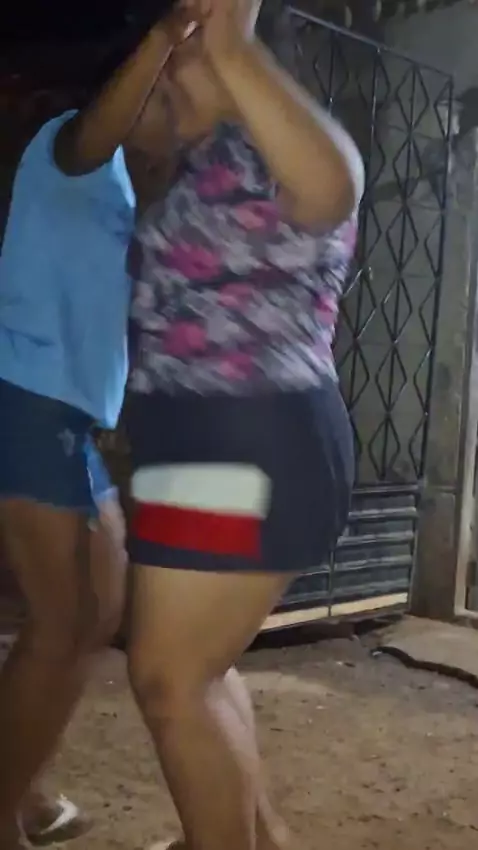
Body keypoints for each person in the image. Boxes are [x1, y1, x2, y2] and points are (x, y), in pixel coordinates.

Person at [120, 1, 363, 849]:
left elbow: (333, 188)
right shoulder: (194, 157)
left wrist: (229, 40)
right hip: (189, 441)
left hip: (249, 440)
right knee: (196, 670)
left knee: (169, 681)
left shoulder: (275, 141)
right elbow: (107, 138)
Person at [0, 6, 169, 842]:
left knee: (97, 607)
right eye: (163, 96)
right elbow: (98, 131)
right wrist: (168, 37)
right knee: (66, 616)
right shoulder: (67, 145)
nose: (174, 109)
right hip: (29, 397)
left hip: (66, 412)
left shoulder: (118, 183)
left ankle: (21, 784)